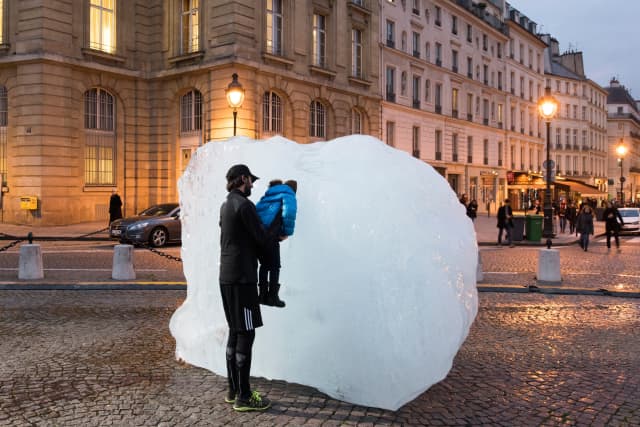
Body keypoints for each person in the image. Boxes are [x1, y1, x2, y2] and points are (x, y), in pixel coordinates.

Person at [219, 164, 271, 412]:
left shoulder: (226, 205)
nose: (252, 185)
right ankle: (245, 397)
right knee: (246, 333)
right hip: (243, 279)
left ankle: (233, 390)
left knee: (234, 329)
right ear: (243, 178)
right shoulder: (244, 205)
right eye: (250, 180)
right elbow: (259, 238)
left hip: (227, 277)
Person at [255, 179, 298, 308]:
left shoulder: (268, 195)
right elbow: (289, 213)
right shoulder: (288, 194)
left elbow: (257, 211)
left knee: (264, 266)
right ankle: (273, 296)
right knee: (275, 267)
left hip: (260, 235)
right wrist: (286, 232)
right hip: (272, 236)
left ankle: (262, 295)